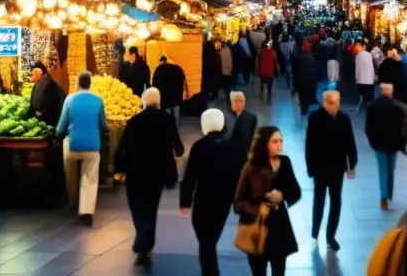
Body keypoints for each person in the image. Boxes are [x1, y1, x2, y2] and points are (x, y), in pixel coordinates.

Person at [114, 87, 185, 268]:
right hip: (158, 173)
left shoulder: (135, 120)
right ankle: (145, 245)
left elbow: (123, 146)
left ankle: (142, 241)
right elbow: (178, 146)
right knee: (151, 208)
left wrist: (118, 169)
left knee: (137, 207)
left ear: (143, 102)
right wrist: (177, 151)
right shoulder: (167, 119)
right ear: (159, 102)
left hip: (135, 171)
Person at [179, 109, 244, 276]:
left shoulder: (199, 147)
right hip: (224, 201)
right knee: (211, 239)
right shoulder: (232, 148)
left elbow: (190, 176)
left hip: (203, 199)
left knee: (205, 240)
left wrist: (185, 202)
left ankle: (211, 272)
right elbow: (240, 176)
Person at [234, 127, 302, 276]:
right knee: (259, 270)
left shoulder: (285, 162)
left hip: (279, 226)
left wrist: (282, 195)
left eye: (281, 141)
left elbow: (296, 191)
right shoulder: (250, 168)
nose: (280, 146)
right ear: (264, 143)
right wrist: (258, 208)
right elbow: (238, 202)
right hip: (257, 228)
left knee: (279, 270)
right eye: (275, 141)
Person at [305, 90, 357, 250]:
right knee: (319, 201)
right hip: (320, 168)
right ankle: (314, 232)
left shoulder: (344, 119)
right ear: (325, 103)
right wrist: (310, 167)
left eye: (338, 102)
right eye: (333, 103)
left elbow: (350, 142)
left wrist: (352, 164)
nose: (336, 106)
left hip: (337, 168)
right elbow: (309, 145)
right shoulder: (315, 118)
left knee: (336, 202)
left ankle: (330, 236)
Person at [56, 70, 108, 225]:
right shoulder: (98, 100)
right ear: (90, 84)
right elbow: (104, 125)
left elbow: (61, 125)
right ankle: (86, 212)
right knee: (90, 179)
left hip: (72, 145)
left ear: (77, 83)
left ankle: (73, 202)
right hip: (92, 146)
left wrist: (58, 133)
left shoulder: (69, 100)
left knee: (70, 175)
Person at [365, 82, 407, 210]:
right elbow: (403, 128)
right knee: (391, 169)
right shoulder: (398, 107)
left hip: (379, 143)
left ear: (380, 91)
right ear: (391, 91)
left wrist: (372, 141)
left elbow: (368, 127)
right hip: (394, 143)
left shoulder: (372, 106)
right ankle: (390, 192)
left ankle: (383, 197)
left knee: (382, 170)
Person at [152, 54, 187, 123]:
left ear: (161, 61)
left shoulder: (159, 69)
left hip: (164, 95)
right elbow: (183, 80)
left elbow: (155, 82)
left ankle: (169, 124)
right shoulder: (177, 68)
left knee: (166, 108)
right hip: (176, 93)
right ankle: (176, 124)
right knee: (176, 105)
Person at [29, 61, 65, 127]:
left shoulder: (54, 87)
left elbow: (58, 108)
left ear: (39, 73)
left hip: (51, 125)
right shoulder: (36, 86)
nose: (32, 77)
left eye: (33, 74)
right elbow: (32, 106)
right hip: (37, 125)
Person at [229, 91, 258, 157]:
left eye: (240, 101)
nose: (237, 104)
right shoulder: (226, 117)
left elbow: (251, 136)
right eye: (234, 101)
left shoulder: (251, 117)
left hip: (243, 153)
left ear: (244, 103)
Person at [294, 42, 317, 116]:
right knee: (309, 95)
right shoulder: (313, 59)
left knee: (302, 95)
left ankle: (303, 109)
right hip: (311, 81)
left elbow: (295, 71)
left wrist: (295, 84)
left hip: (301, 80)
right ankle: (307, 108)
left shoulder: (299, 58)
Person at [355, 43, 376, 112]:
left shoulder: (358, 56)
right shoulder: (369, 55)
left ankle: (359, 105)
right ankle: (369, 106)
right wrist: (373, 77)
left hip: (360, 79)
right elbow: (371, 67)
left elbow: (357, 68)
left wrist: (356, 77)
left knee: (361, 93)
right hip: (369, 79)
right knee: (369, 95)